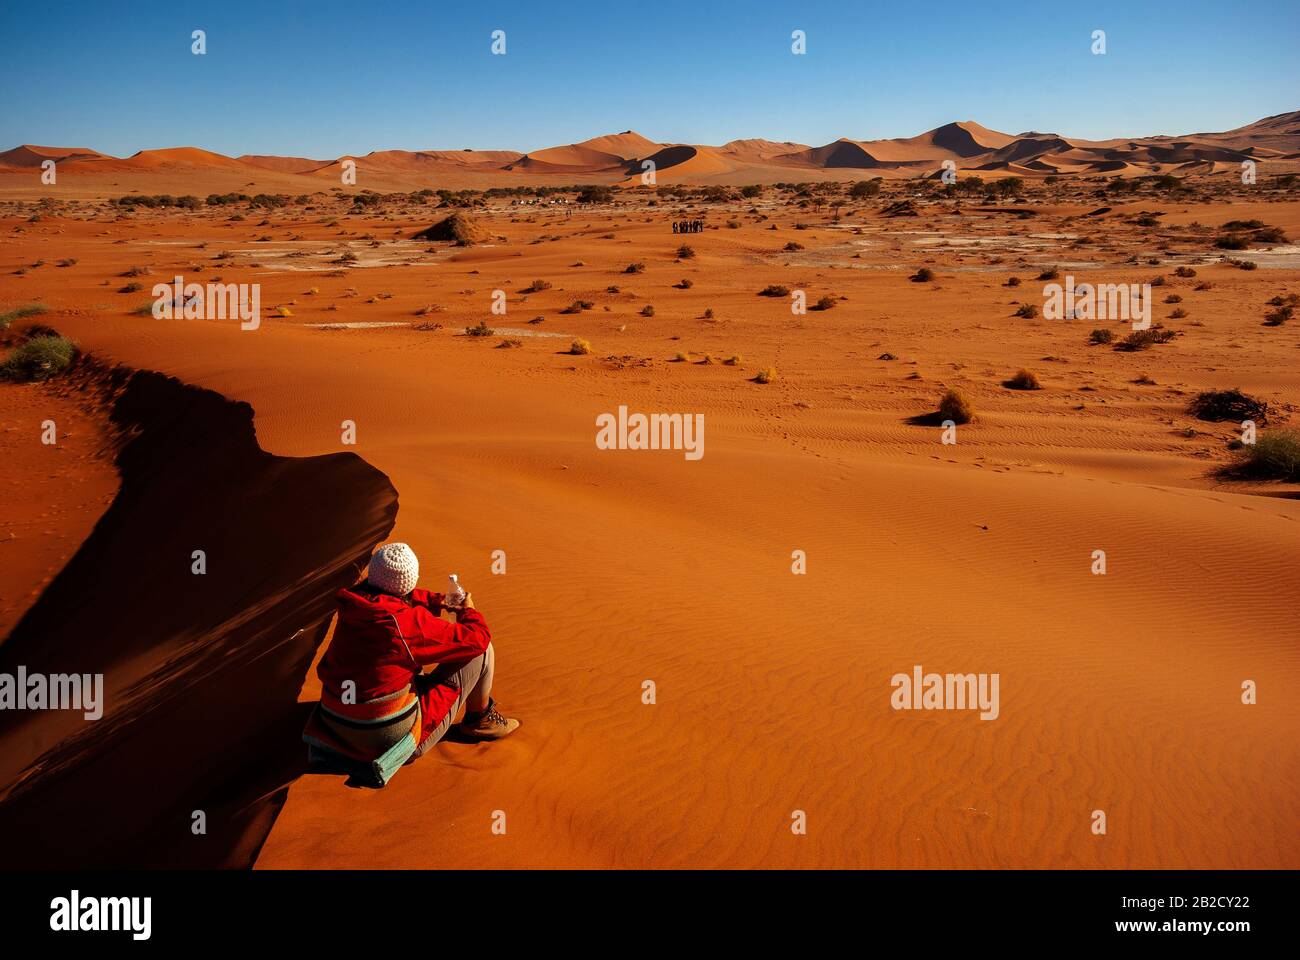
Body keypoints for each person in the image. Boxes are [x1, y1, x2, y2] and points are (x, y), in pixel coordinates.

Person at [315, 542, 520, 764]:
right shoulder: (405, 624)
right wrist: (469, 611)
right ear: (411, 580)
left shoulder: (352, 603)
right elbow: (477, 638)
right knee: (480, 653)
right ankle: (479, 720)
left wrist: (437, 601)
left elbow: (392, 599)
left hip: (332, 723)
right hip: (384, 739)